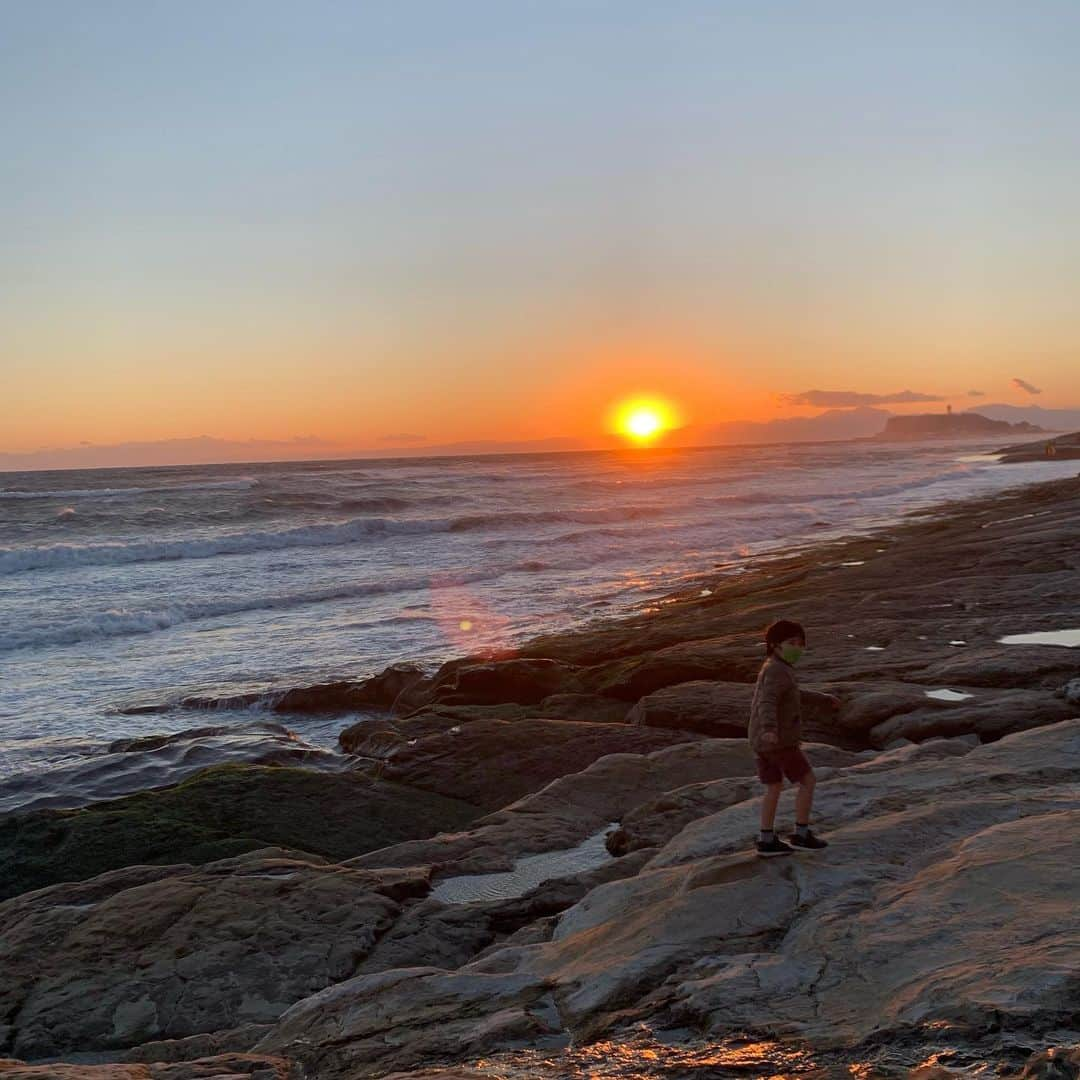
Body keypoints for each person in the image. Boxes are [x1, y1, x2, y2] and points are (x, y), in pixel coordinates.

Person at [748, 619, 840, 857]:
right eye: (791, 643)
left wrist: (820, 698)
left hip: (762, 741)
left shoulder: (776, 666)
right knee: (807, 781)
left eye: (800, 643)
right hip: (779, 741)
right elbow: (767, 701)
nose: (797, 647)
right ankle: (801, 834)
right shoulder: (778, 670)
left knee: (774, 787)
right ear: (775, 645)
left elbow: (792, 694)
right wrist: (770, 729)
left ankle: (766, 839)